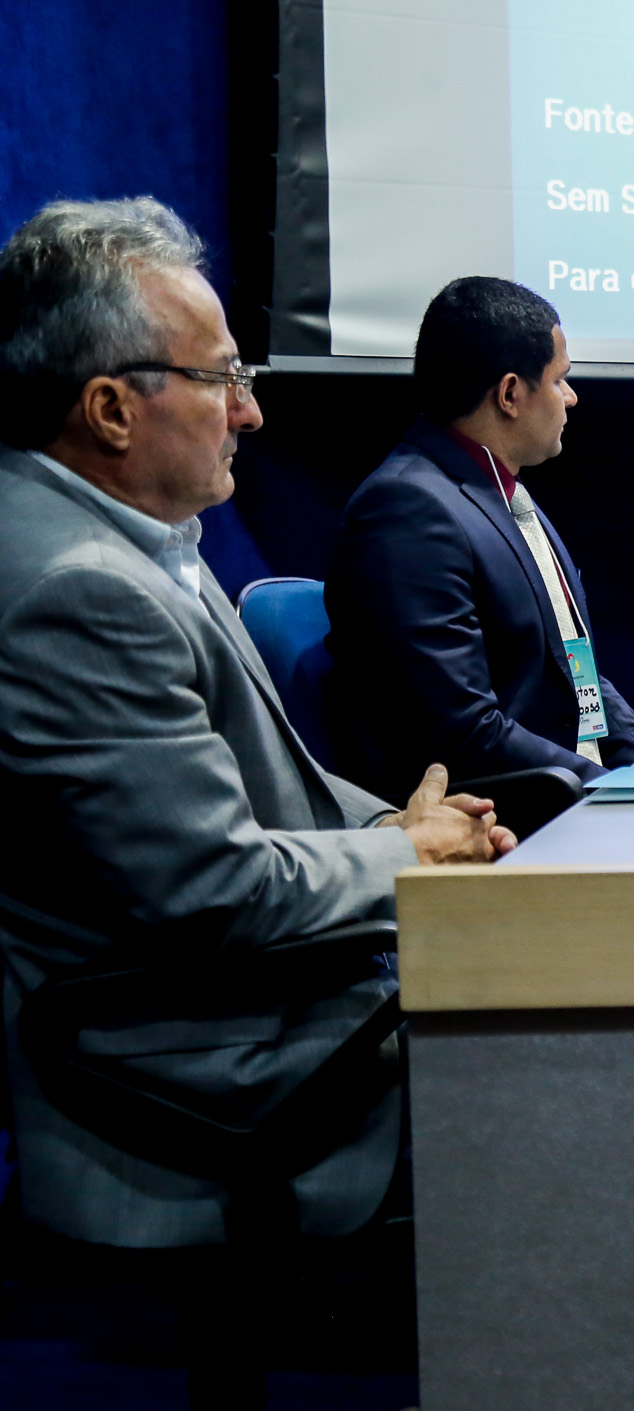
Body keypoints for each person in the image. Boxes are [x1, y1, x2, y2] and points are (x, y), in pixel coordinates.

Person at [0, 199, 511, 1249]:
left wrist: (399, 832)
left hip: (265, 1003)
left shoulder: (127, 541)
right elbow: (215, 893)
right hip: (207, 1071)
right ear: (110, 410)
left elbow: (268, 798)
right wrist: (412, 854)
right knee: (613, 1073)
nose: (251, 413)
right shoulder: (77, 588)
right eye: (223, 377)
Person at [325, 278, 634, 806]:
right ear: (509, 395)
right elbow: (463, 732)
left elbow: (576, 666)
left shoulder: (502, 493)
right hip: (506, 817)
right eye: (559, 380)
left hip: (571, 794)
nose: (572, 397)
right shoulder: (406, 510)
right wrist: (606, 787)